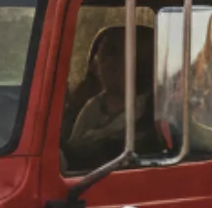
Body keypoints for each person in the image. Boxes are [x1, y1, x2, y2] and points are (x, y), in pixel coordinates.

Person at [62, 23, 158, 172]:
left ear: (139, 63)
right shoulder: (90, 107)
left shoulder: (154, 116)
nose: (99, 66)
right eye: (101, 58)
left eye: (112, 56)